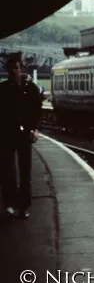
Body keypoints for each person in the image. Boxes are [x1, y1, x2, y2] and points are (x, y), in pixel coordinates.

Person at [0, 53, 42, 219]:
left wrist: (35, 130)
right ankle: (10, 203)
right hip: (6, 134)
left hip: (25, 134)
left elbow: (37, 111)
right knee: (7, 170)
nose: (14, 71)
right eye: (11, 68)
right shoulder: (2, 89)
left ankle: (24, 205)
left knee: (25, 172)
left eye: (16, 68)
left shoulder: (30, 88)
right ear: (8, 70)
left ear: (21, 68)